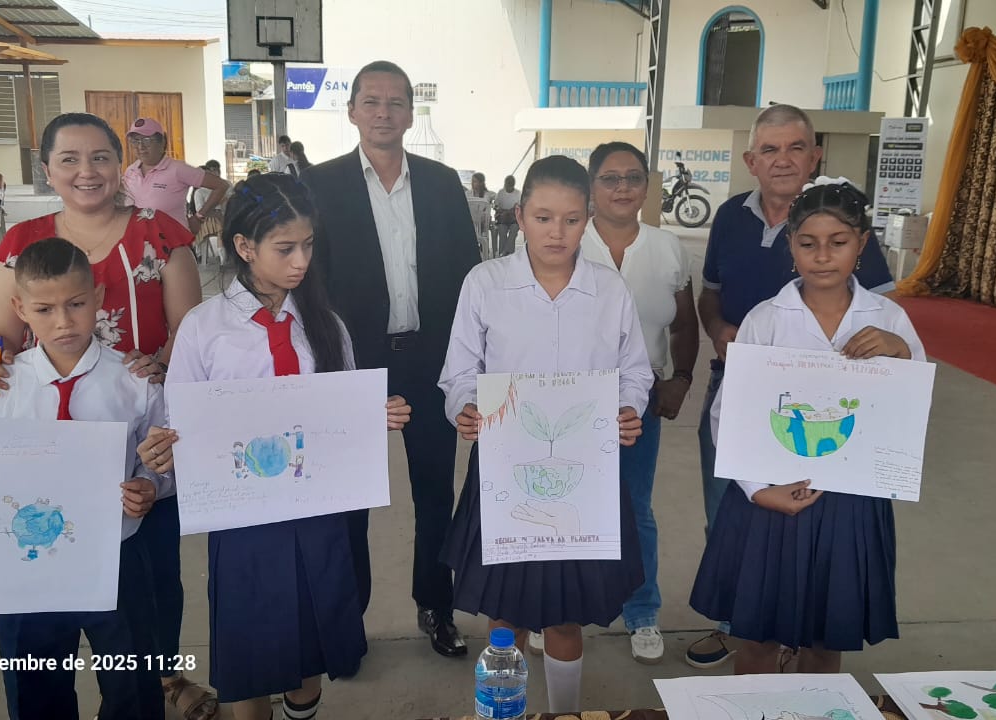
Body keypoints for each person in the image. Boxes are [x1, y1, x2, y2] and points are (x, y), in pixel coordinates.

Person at [134, 173, 412, 720]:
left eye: (308, 245)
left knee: (310, 642)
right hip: (245, 522)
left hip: (318, 515)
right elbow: (177, 420)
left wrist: (372, 414)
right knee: (250, 649)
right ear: (244, 246)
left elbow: (340, 411)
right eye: (285, 248)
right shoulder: (204, 328)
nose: (301, 261)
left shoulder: (325, 324)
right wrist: (162, 451)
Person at [0, 112, 212, 720]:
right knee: (43, 605)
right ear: (47, 168)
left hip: (138, 425)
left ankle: (160, 679)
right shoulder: (22, 243)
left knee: (145, 587)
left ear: (120, 164)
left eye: (101, 156)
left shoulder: (160, 234)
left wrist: (156, 370)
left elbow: (190, 330)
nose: (87, 171)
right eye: (69, 159)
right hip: (50, 438)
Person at [438, 155, 653, 713]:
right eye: (542, 218)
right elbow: (460, 371)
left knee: (565, 615)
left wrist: (628, 407)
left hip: (584, 474)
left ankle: (564, 711)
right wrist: (465, 407)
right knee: (504, 614)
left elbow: (635, 370)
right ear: (519, 216)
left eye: (572, 219)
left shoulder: (608, 290)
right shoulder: (486, 284)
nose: (557, 232)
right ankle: (502, 709)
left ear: (589, 219)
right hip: (506, 471)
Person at [686, 104, 896, 670]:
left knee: (827, 629)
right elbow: (728, 409)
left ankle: (808, 675)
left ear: (861, 243)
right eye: (808, 244)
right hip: (764, 467)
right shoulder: (762, 309)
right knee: (753, 599)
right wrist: (757, 488)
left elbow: (902, 399)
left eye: (795, 147)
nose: (823, 255)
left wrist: (900, 352)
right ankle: (744, 643)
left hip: (848, 490)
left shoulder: (883, 315)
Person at [0, 237, 166, 720]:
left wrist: (151, 486)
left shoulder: (135, 380)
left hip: (115, 557)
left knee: (133, 684)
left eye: (76, 304)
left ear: (98, 297)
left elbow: (158, 461)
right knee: (34, 686)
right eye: (44, 309)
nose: (63, 322)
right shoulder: (3, 384)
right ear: (20, 309)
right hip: (25, 565)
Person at [299, 59, 480, 659]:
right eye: (371, 101)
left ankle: (436, 606)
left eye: (395, 102)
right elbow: (308, 279)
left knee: (435, 492)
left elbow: (468, 273)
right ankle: (349, 617)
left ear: (409, 113)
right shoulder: (319, 185)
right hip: (353, 364)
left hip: (429, 360)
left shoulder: (441, 182)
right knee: (351, 497)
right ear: (352, 111)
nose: (383, 112)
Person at [577, 141, 698, 664]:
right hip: (571, 396)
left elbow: (685, 324)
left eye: (633, 177)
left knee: (634, 507)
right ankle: (559, 608)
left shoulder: (668, 247)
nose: (622, 188)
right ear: (591, 187)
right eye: (610, 178)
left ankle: (642, 610)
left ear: (648, 187)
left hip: (639, 398)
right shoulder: (568, 239)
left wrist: (681, 378)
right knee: (568, 502)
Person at [122, 117, 230, 233]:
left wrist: (199, 217)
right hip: (139, 239)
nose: (140, 147)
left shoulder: (178, 169)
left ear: (162, 142)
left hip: (173, 241)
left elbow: (221, 185)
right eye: (135, 141)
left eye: (147, 140)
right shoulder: (131, 171)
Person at [492, 175, 520, 256]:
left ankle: (506, 253)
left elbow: (519, 206)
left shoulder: (518, 193)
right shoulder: (501, 192)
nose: (508, 187)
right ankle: (504, 253)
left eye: (510, 185)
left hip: (513, 218)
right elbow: (495, 206)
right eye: (507, 184)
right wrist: (501, 211)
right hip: (502, 218)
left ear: (513, 185)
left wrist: (511, 211)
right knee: (502, 232)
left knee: (514, 230)